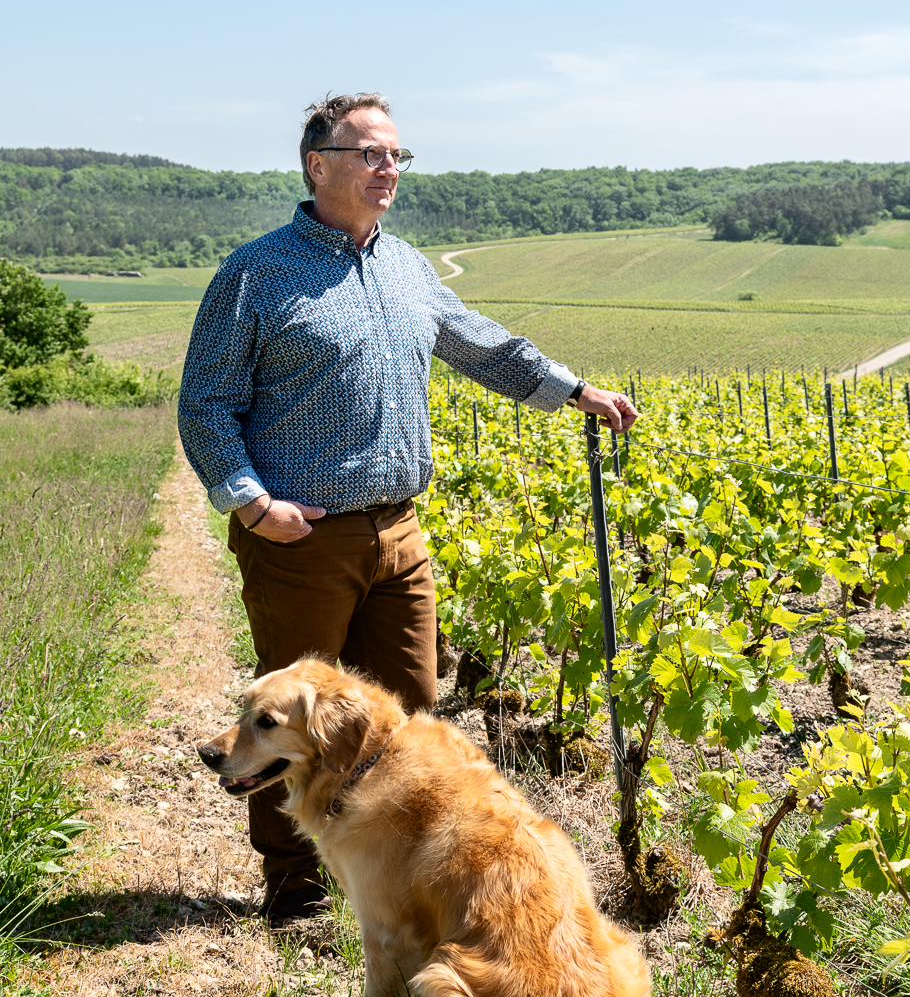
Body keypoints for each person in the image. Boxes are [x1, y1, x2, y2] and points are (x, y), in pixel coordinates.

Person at [178, 91, 636, 925]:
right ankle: (295, 888)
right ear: (318, 166)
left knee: (408, 712)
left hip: (399, 531)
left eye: (396, 155)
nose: (388, 168)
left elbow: (482, 345)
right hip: (302, 539)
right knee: (284, 725)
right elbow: (206, 403)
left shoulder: (407, 267)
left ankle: (391, 881)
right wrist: (251, 505)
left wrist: (575, 391)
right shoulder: (255, 273)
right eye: (370, 154)